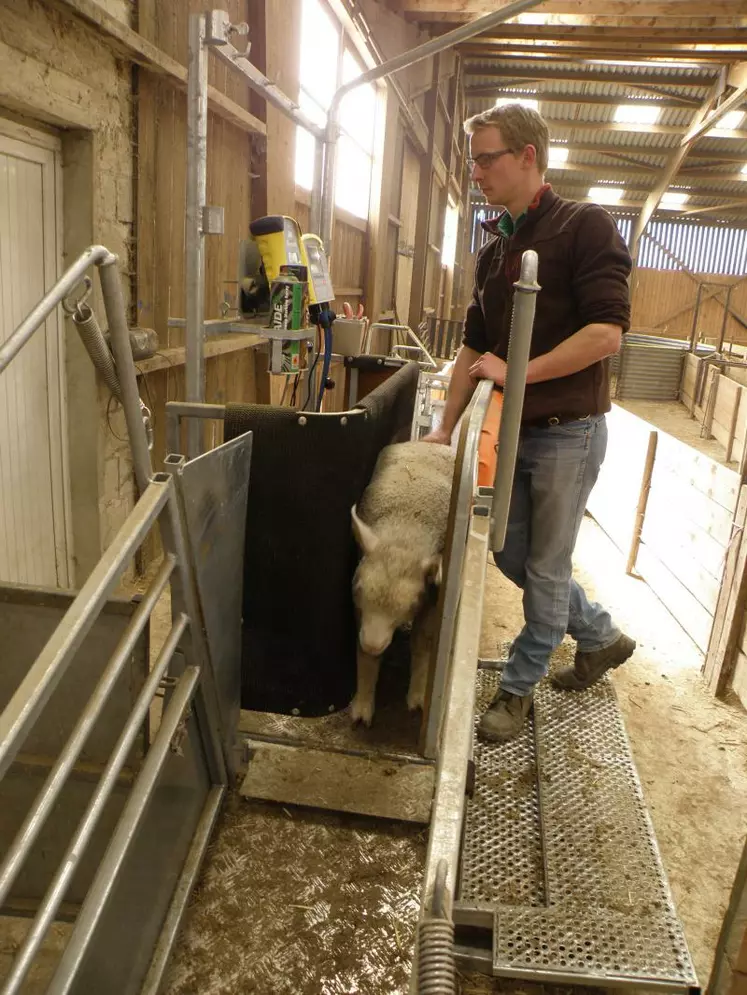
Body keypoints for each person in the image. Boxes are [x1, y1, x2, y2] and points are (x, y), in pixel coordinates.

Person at [422, 103, 635, 742]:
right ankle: (599, 635)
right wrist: (442, 424)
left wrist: (517, 372)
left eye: (486, 157)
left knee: (545, 567)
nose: (476, 170)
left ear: (527, 157)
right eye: (473, 159)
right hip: (512, 432)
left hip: (569, 431)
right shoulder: (496, 248)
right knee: (511, 552)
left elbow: (606, 335)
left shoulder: (584, 226)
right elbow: (471, 349)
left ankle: (517, 689)